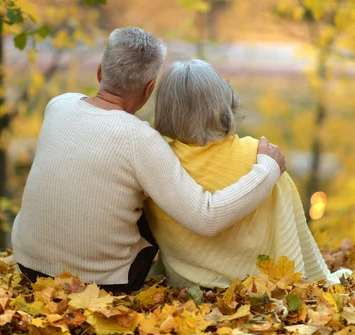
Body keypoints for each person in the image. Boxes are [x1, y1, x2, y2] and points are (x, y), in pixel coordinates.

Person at [11, 28, 286, 293]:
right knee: (154, 197)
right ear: (148, 89)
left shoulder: (58, 105)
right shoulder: (140, 138)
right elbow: (206, 217)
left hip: (28, 265)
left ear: (99, 72)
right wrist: (266, 169)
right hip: (99, 283)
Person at [146, 59, 340, 288]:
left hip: (184, 291)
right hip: (259, 288)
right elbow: (293, 232)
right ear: (223, 103)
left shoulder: (156, 161)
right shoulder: (260, 156)